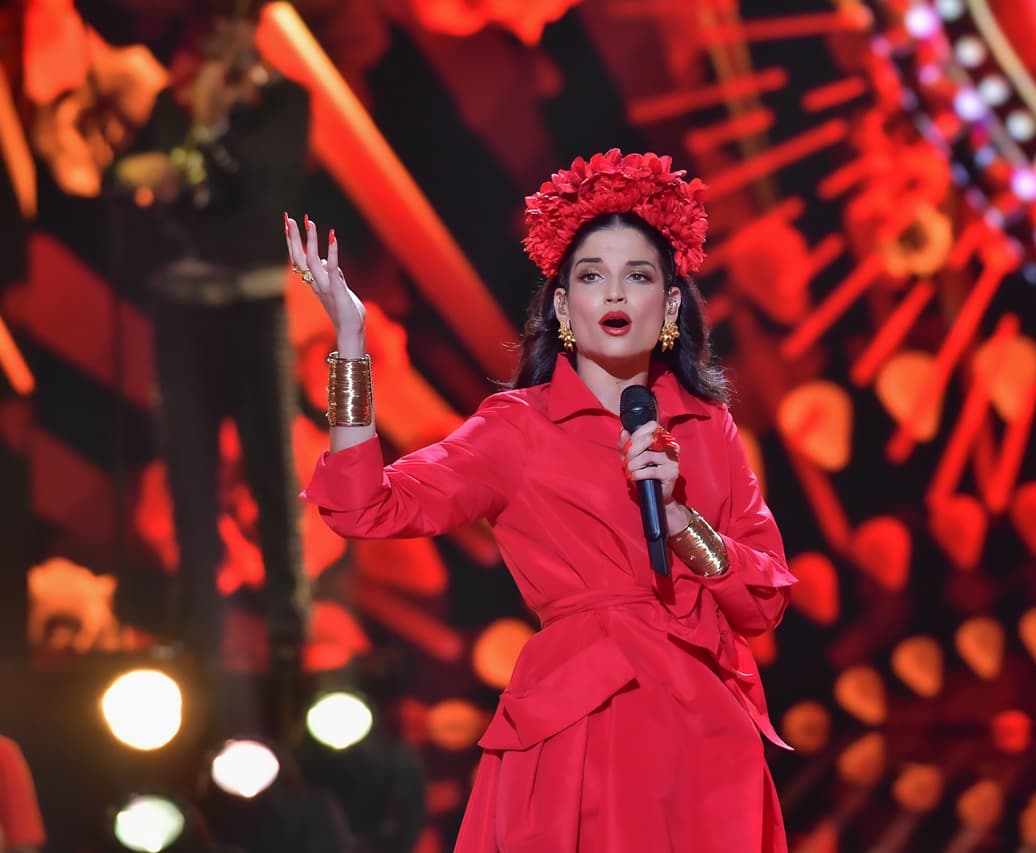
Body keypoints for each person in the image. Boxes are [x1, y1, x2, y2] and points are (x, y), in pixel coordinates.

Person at [294, 149, 797, 851]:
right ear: (564, 305)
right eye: (593, 277)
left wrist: (684, 524)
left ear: (671, 303)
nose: (615, 296)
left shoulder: (708, 426)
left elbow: (764, 600)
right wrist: (351, 346)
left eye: (638, 276)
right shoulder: (518, 428)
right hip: (583, 722)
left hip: (704, 730)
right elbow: (364, 506)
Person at [113, 6, 309, 669]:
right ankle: (197, 628)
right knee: (188, 473)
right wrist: (188, 141)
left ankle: (287, 626)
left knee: (271, 470)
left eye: (234, 22)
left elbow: (258, 181)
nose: (222, 39)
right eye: (211, 27)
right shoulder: (173, 106)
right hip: (182, 312)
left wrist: (213, 132)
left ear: (254, 29)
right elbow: (135, 178)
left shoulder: (285, 104)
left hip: (252, 310)